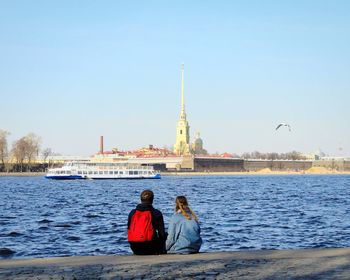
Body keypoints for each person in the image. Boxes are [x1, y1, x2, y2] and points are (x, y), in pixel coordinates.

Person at [127, 189, 166, 255]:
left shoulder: (132, 212)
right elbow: (161, 234)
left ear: (141, 199)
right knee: (165, 234)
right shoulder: (156, 213)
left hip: (135, 247)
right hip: (150, 248)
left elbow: (128, 229)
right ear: (152, 200)